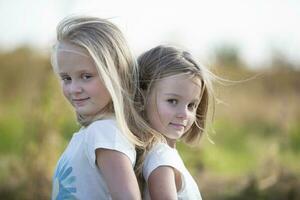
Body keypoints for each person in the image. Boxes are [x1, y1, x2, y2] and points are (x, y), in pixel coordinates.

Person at [50, 16, 142, 200]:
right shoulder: (94, 132)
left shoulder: (105, 133)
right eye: (66, 78)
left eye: (86, 76)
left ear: (117, 73)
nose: (74, 89)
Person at [135, 45, 216, 199]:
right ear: (142, 97)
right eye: (172, 101)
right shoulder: (161, 159)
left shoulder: (161, 155)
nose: (184, 114)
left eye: (191, 105)